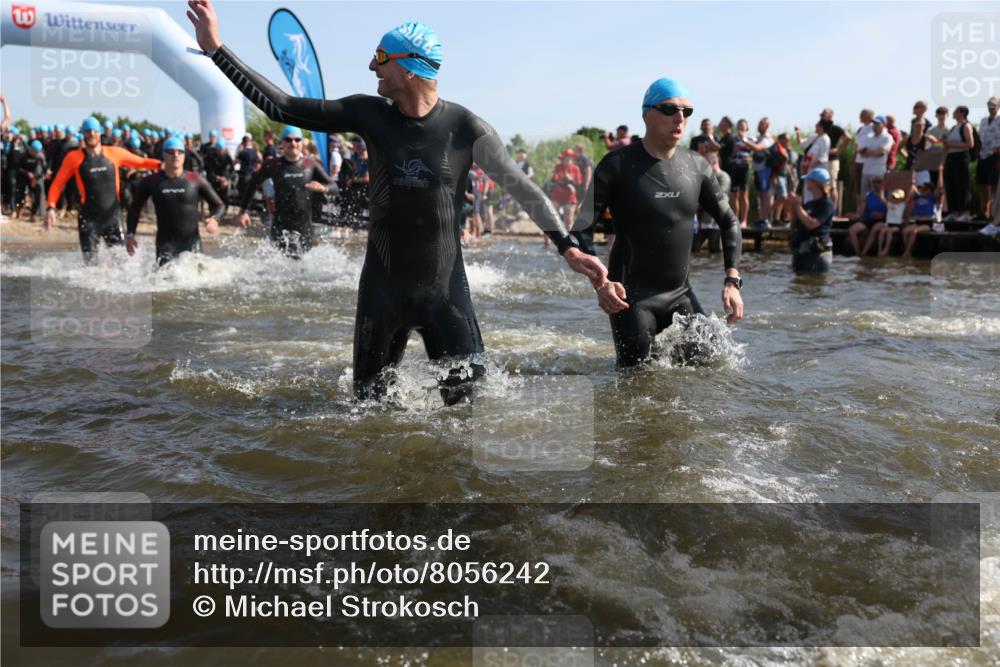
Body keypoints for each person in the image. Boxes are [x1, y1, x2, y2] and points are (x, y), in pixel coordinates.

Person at [188, 0, 607, 404]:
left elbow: (525, 190)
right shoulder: (369, 114)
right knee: (368, 419)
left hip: (447, 299)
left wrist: (568, 246)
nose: (372, 66)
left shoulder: (466, 129)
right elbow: (282, 106)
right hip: (382, 295)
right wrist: (216, 50)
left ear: (409, 67)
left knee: (469, 419)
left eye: (380, 57)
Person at [577, 77, 743, 368]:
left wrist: (732, 280)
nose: (680, 118)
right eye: (669, 109)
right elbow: (581, 229)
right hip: (630, 299)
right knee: (637, 386)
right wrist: (601, 282)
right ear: (646, 114)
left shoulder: (697, 166)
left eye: (687, 111)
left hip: (680, 295)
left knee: (719, 368)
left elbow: (729, 221)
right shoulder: (617, 165)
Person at [45, 116, 161, 261]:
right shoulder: (74, 157)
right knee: (90, 264)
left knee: (122, 262)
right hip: (88, 219)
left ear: (100, 132)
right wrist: (51, 207)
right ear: (83, 134)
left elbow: (141, 162)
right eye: (87, 131)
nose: (91, 134)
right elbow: (58, 183)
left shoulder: (114, 153)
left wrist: (162, 165)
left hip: (113, 217)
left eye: (94, 131)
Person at [236, 126, 333, 257]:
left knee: (304, 270)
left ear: (302, 142)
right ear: (282, 143)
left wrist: (324, 188)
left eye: (297, 140)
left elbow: (335, 187)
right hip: (281, 226)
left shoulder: (310, 164)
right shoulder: (273, 164)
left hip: (304, 226)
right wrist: (243, 211)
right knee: (281, 270)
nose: (293, 143)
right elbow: (253, 184)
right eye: (288, 140)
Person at [126, 136, 223, 266]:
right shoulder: (151, 182)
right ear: (163, 155)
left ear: (184, 155)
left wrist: (215, 219)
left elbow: (219, 205)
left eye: (180, 152)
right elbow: (134, 209)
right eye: (171, 152)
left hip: (193, 244)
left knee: (198, 284)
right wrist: (130, 235)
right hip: (165, 245)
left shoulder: (195, 179)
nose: (176, 155)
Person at [787, 167, 834, 273]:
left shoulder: (826, 204)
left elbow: (811, 224)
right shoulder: (808, 204)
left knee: (815, 284)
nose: (806, 182)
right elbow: (794, 225)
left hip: (818, 254)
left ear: (816, 183)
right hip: (803, 251)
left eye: (809, 180)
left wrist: (798, 206)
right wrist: (793, 206)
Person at [943, 105, 975, 222]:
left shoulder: (966, 126)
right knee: (951, 185)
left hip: (961, 158)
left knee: (962, 184)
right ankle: (954, 212)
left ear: (962, 113)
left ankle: (964, 212)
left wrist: (952, 145)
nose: (954, 113)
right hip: (951, 158)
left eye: (956, 111)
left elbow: (970, 144)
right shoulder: (953, 128)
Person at [846, 175, 886, 256]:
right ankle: (858, 253)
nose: (875, 184)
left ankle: (864, 252)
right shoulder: (868, 195)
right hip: (869, 219)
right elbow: (861, 211)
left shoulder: (888, 194)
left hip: (882, 220)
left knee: (874, 230)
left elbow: (893, 209)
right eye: (874, 182)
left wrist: (883, 214)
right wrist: (854, 215)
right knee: (852, 230)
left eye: (878, 182)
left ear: (882, 183)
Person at [856, 115, 893, 201]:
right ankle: (863, 212)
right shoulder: (870, 137)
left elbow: (882, 152)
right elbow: (862, 152)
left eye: (877, 124)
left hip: (878, 171)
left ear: (883, 125)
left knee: (877, 195)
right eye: (874, 124)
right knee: (864, 195)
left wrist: (869, 152)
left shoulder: (887, 137)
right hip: (866, 170)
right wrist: (872, 152)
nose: (874, 126)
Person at [820, 108, 850, 212]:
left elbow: (848, 138)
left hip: (832, 160)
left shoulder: (835, 128)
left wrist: (838, 150)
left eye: (826, 114)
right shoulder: (820, 128)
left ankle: (833, 210)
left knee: (832, 185)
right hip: (821, 160)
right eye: (823, 114)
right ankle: (823, 209)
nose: (824, 116)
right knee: (821, 185)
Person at [901, 180, 941, 258]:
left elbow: (939, 188)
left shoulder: (932, 198)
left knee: (914, 231)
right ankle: (909, 251)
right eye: (921, 189)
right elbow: (912, 187)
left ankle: (906, 253)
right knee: (905, 231)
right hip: (917, 222)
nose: (922, 191)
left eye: (924, 189)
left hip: (928, 223)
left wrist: (940, 172)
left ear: (929, 190)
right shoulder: (917, 197)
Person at [747, 117, 774, 228]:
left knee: (765, 195)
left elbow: (758, 148)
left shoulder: (767, 138)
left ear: (766, 126)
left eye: (761, 124)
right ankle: (761, 218)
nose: (758, 126)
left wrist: (744, 141)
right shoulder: (760, 137)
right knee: (760, 195)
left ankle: (765, 220)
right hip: (758, 170)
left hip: (765, 170)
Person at [977, 96, 1000, 221]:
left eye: (994, 105)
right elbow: (980, 137)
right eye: (989, 105)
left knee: (994, 185)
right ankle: (983, 211)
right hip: (982, 155)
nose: (991, 107)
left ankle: (994, 211)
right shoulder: (983, 120)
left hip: (995, 155)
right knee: (982, 184)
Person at [797, 120, 830, 203]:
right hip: (809, 169)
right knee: (808, 190)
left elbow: (823, 158)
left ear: (821, 127)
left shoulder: (825, 139)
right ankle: (808, 208)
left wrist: (809, 164)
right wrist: (798, 133)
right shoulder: (814, 137)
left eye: (817, 125)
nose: (815, 126)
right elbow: (801, 144)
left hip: (818, 170)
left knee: (816, 190)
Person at [16, 139, 46, 221]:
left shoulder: (39, 157)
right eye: (35, 152)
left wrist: (36, 178)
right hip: (23, 177)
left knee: (38, 193)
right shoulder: (23, 155)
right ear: (31, 149)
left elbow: (43, 170)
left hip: (33, 177)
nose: (36, 154)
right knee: (21, 193)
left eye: (38, 152)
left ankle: (33, 214)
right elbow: (18, 168)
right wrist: (27, 173)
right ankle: (19, 211)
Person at [852, 108, 875, 201]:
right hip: (859, 161)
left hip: (868, 162)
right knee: (858, 187)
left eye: (862, 115)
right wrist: (853, 162)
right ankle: (859, 208)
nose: (859, 117)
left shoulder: (874, 128)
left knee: (868, 187)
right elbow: (856, 146)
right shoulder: (860, 130)